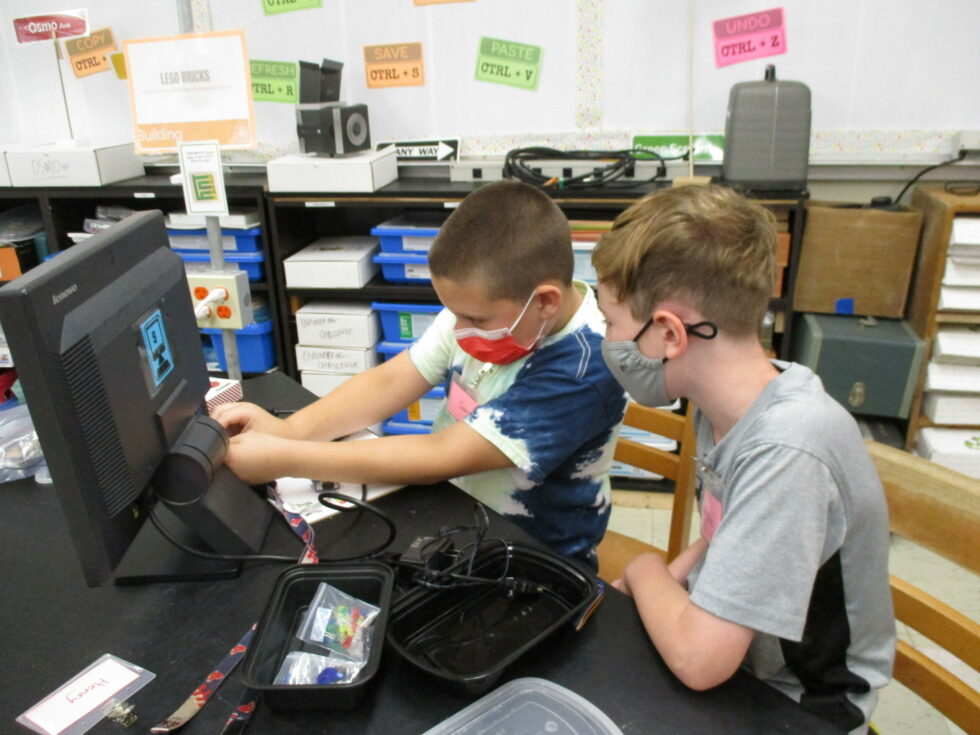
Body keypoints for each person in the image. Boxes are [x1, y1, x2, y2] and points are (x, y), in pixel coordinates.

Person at [592, 184, 895, 734]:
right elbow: (727, 529)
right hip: (743, 658)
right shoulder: (730, 400)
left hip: (802, 704)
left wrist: (644, 570)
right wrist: (672, 580)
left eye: (612, 323)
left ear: (668, 333)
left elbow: (700, 661)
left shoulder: (786, 449)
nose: (609, 342)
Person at [213, 180, 627, 567]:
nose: (459, 330)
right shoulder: (494, 308)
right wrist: (289, 431)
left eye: (474, 319)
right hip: (459, 517)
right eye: (454, 313)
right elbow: (392, 380)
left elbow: (441, 454)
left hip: (533, 558)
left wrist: (283, 459)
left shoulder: (585, 369)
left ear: (546, 302)